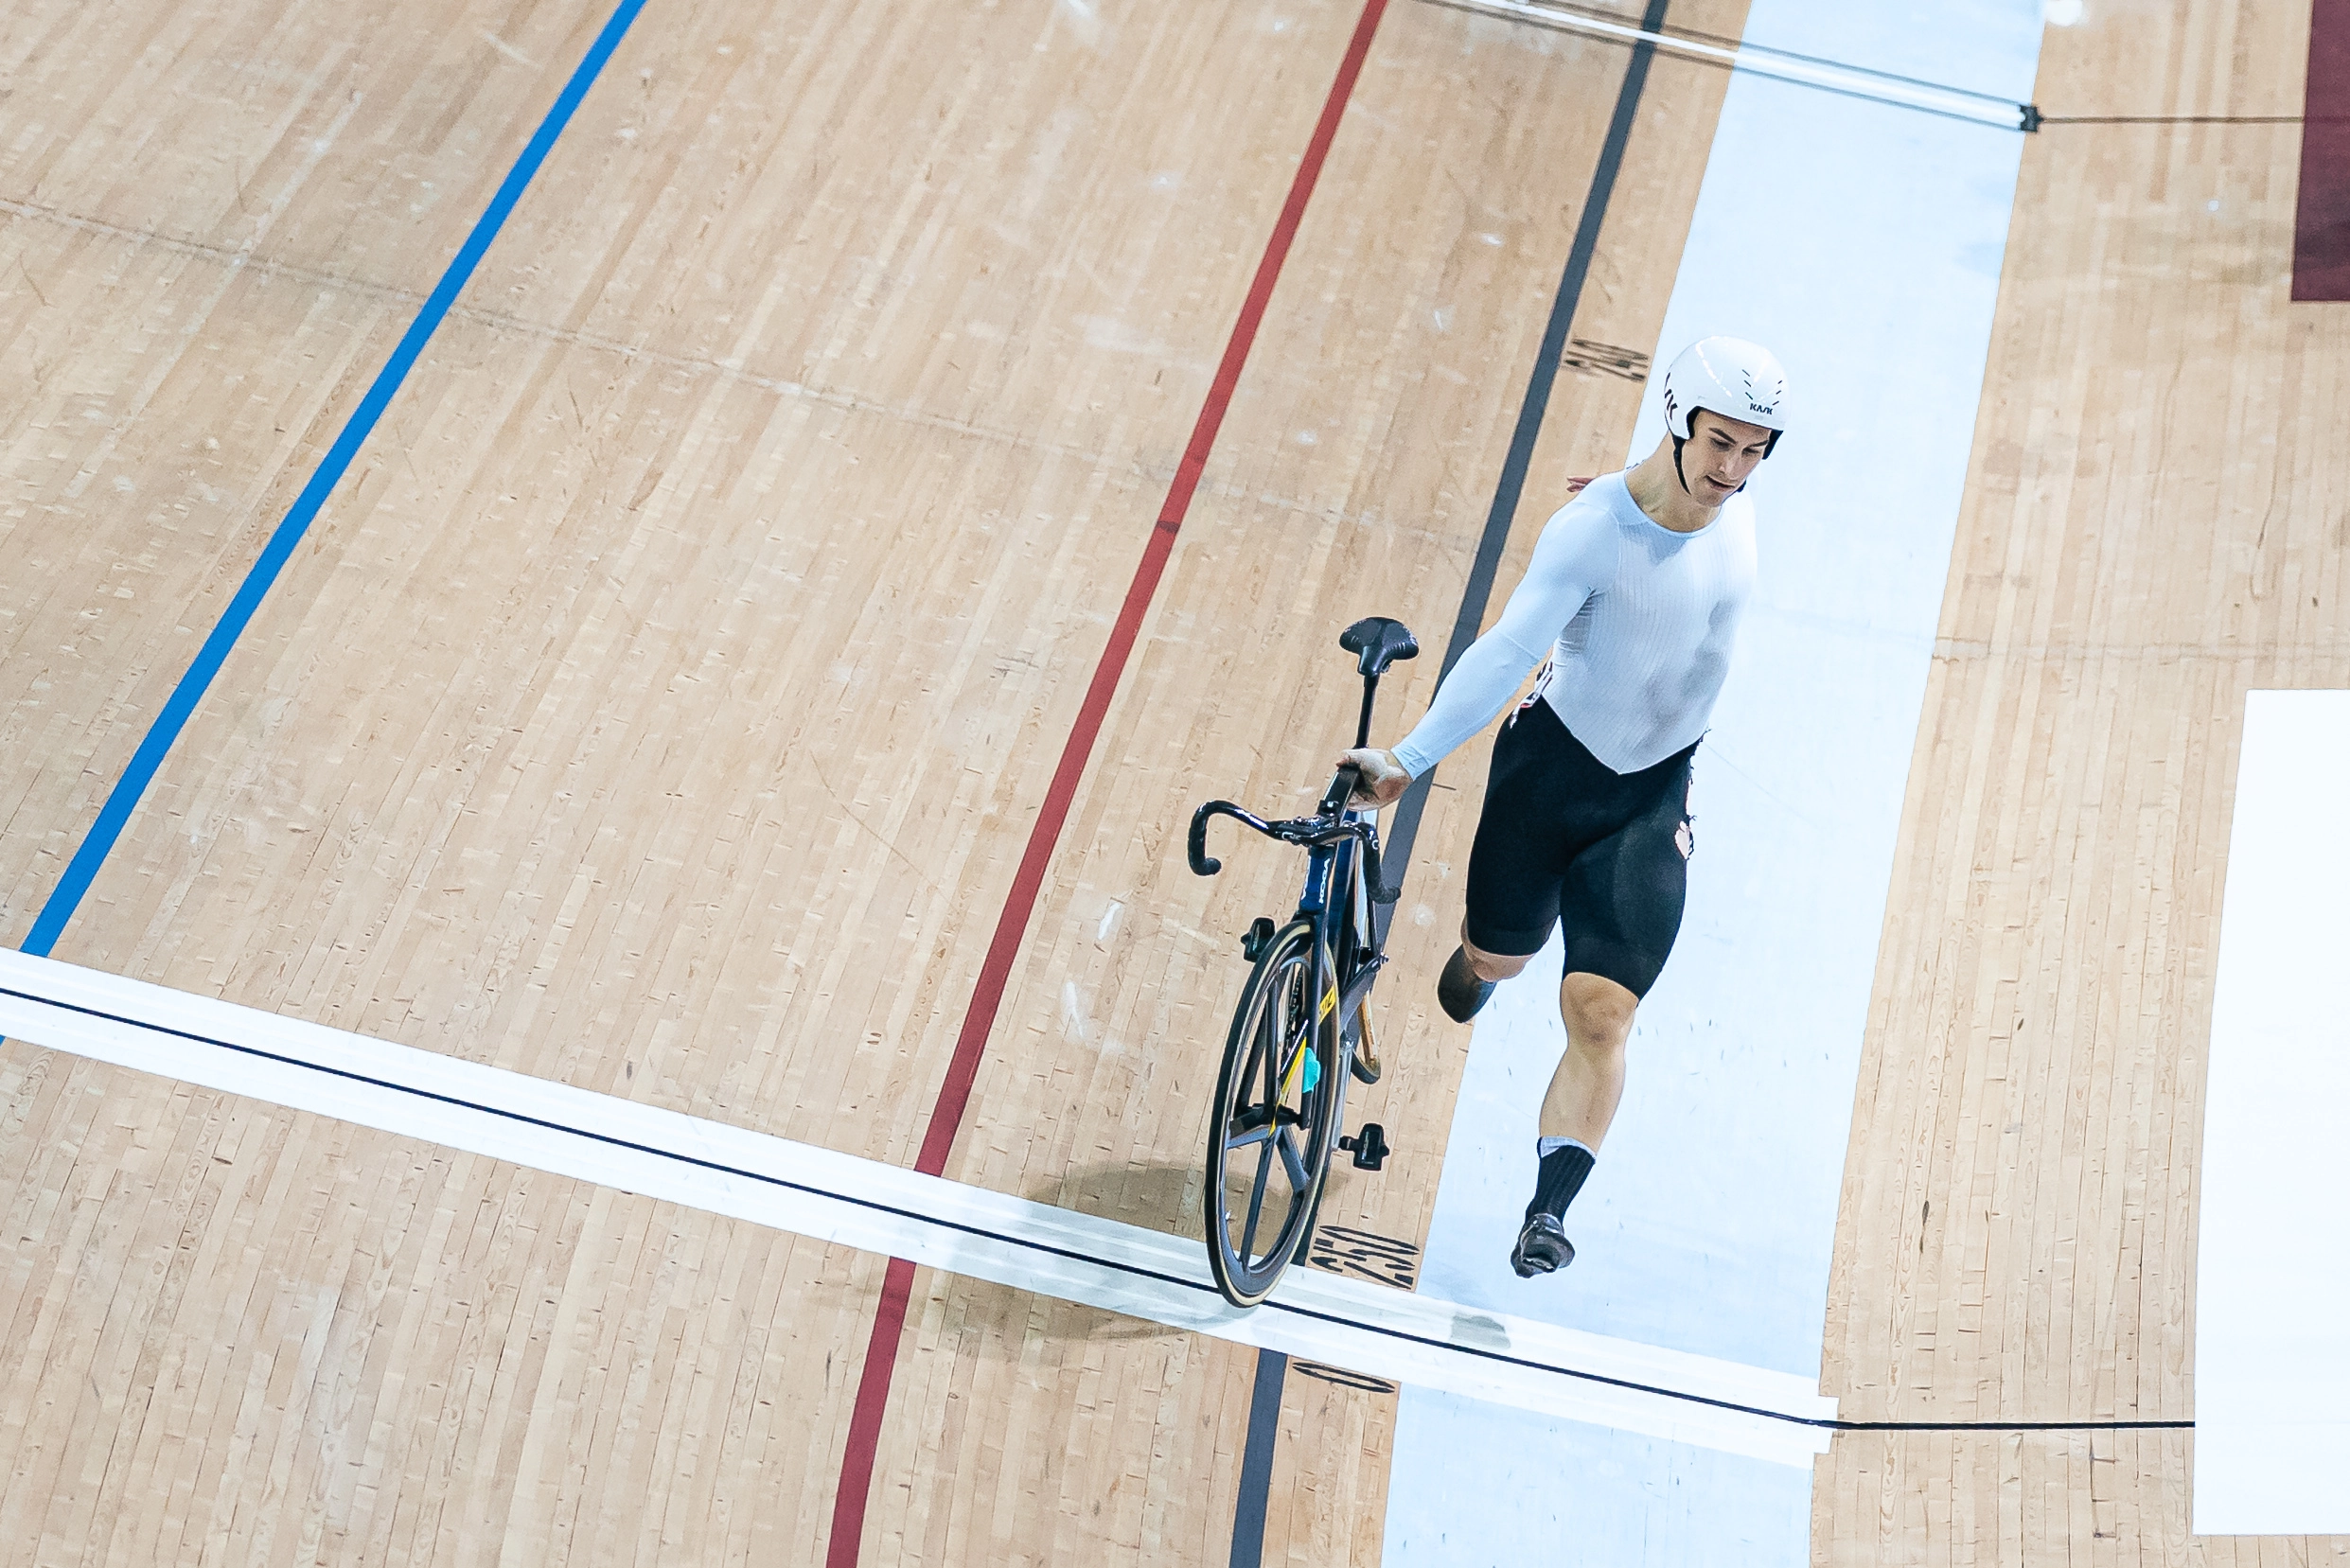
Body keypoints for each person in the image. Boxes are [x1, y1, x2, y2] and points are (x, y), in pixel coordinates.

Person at [1339, 337, 1787, 1278]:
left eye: (1753, 452)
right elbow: (1507, 651)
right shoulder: (1588, 534)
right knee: (1499, 955)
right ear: (1675, 421)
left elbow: (1677, 535)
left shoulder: (1735, 511)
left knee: (1599, 1013)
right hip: (1550, 771)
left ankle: (1546, 1211)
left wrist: (1656, 494)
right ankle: (1478, 963)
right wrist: (1408, 760)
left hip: (1651, 793)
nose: (1732, 470)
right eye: (1717, 444)